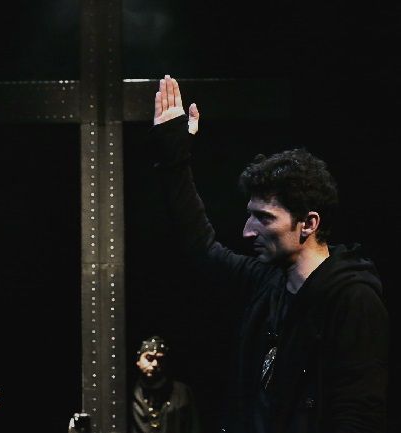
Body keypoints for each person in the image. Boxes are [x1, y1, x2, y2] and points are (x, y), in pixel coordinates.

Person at [148, 75, 388, 433]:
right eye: (250, 215)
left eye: (264, 218)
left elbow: (357, 416)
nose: (248, 231)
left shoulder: (352, 300)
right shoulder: (269, 283)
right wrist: (174, 156)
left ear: (308, 223)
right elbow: (202, 248)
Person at [131, 336, 201, 433]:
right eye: (149, 358)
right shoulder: (129, 393)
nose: (155, 364)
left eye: (160, 359)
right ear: (138, 361)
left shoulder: (182, 392)